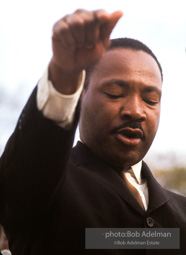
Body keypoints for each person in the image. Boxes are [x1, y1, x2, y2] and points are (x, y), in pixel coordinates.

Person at [0, 9, 185, 255]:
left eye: (150, 100)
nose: (135, 111)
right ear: (81, 95)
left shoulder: (181, 210)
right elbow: (24, 176)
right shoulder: (45, 187)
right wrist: (64, 76)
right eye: (115, 94)